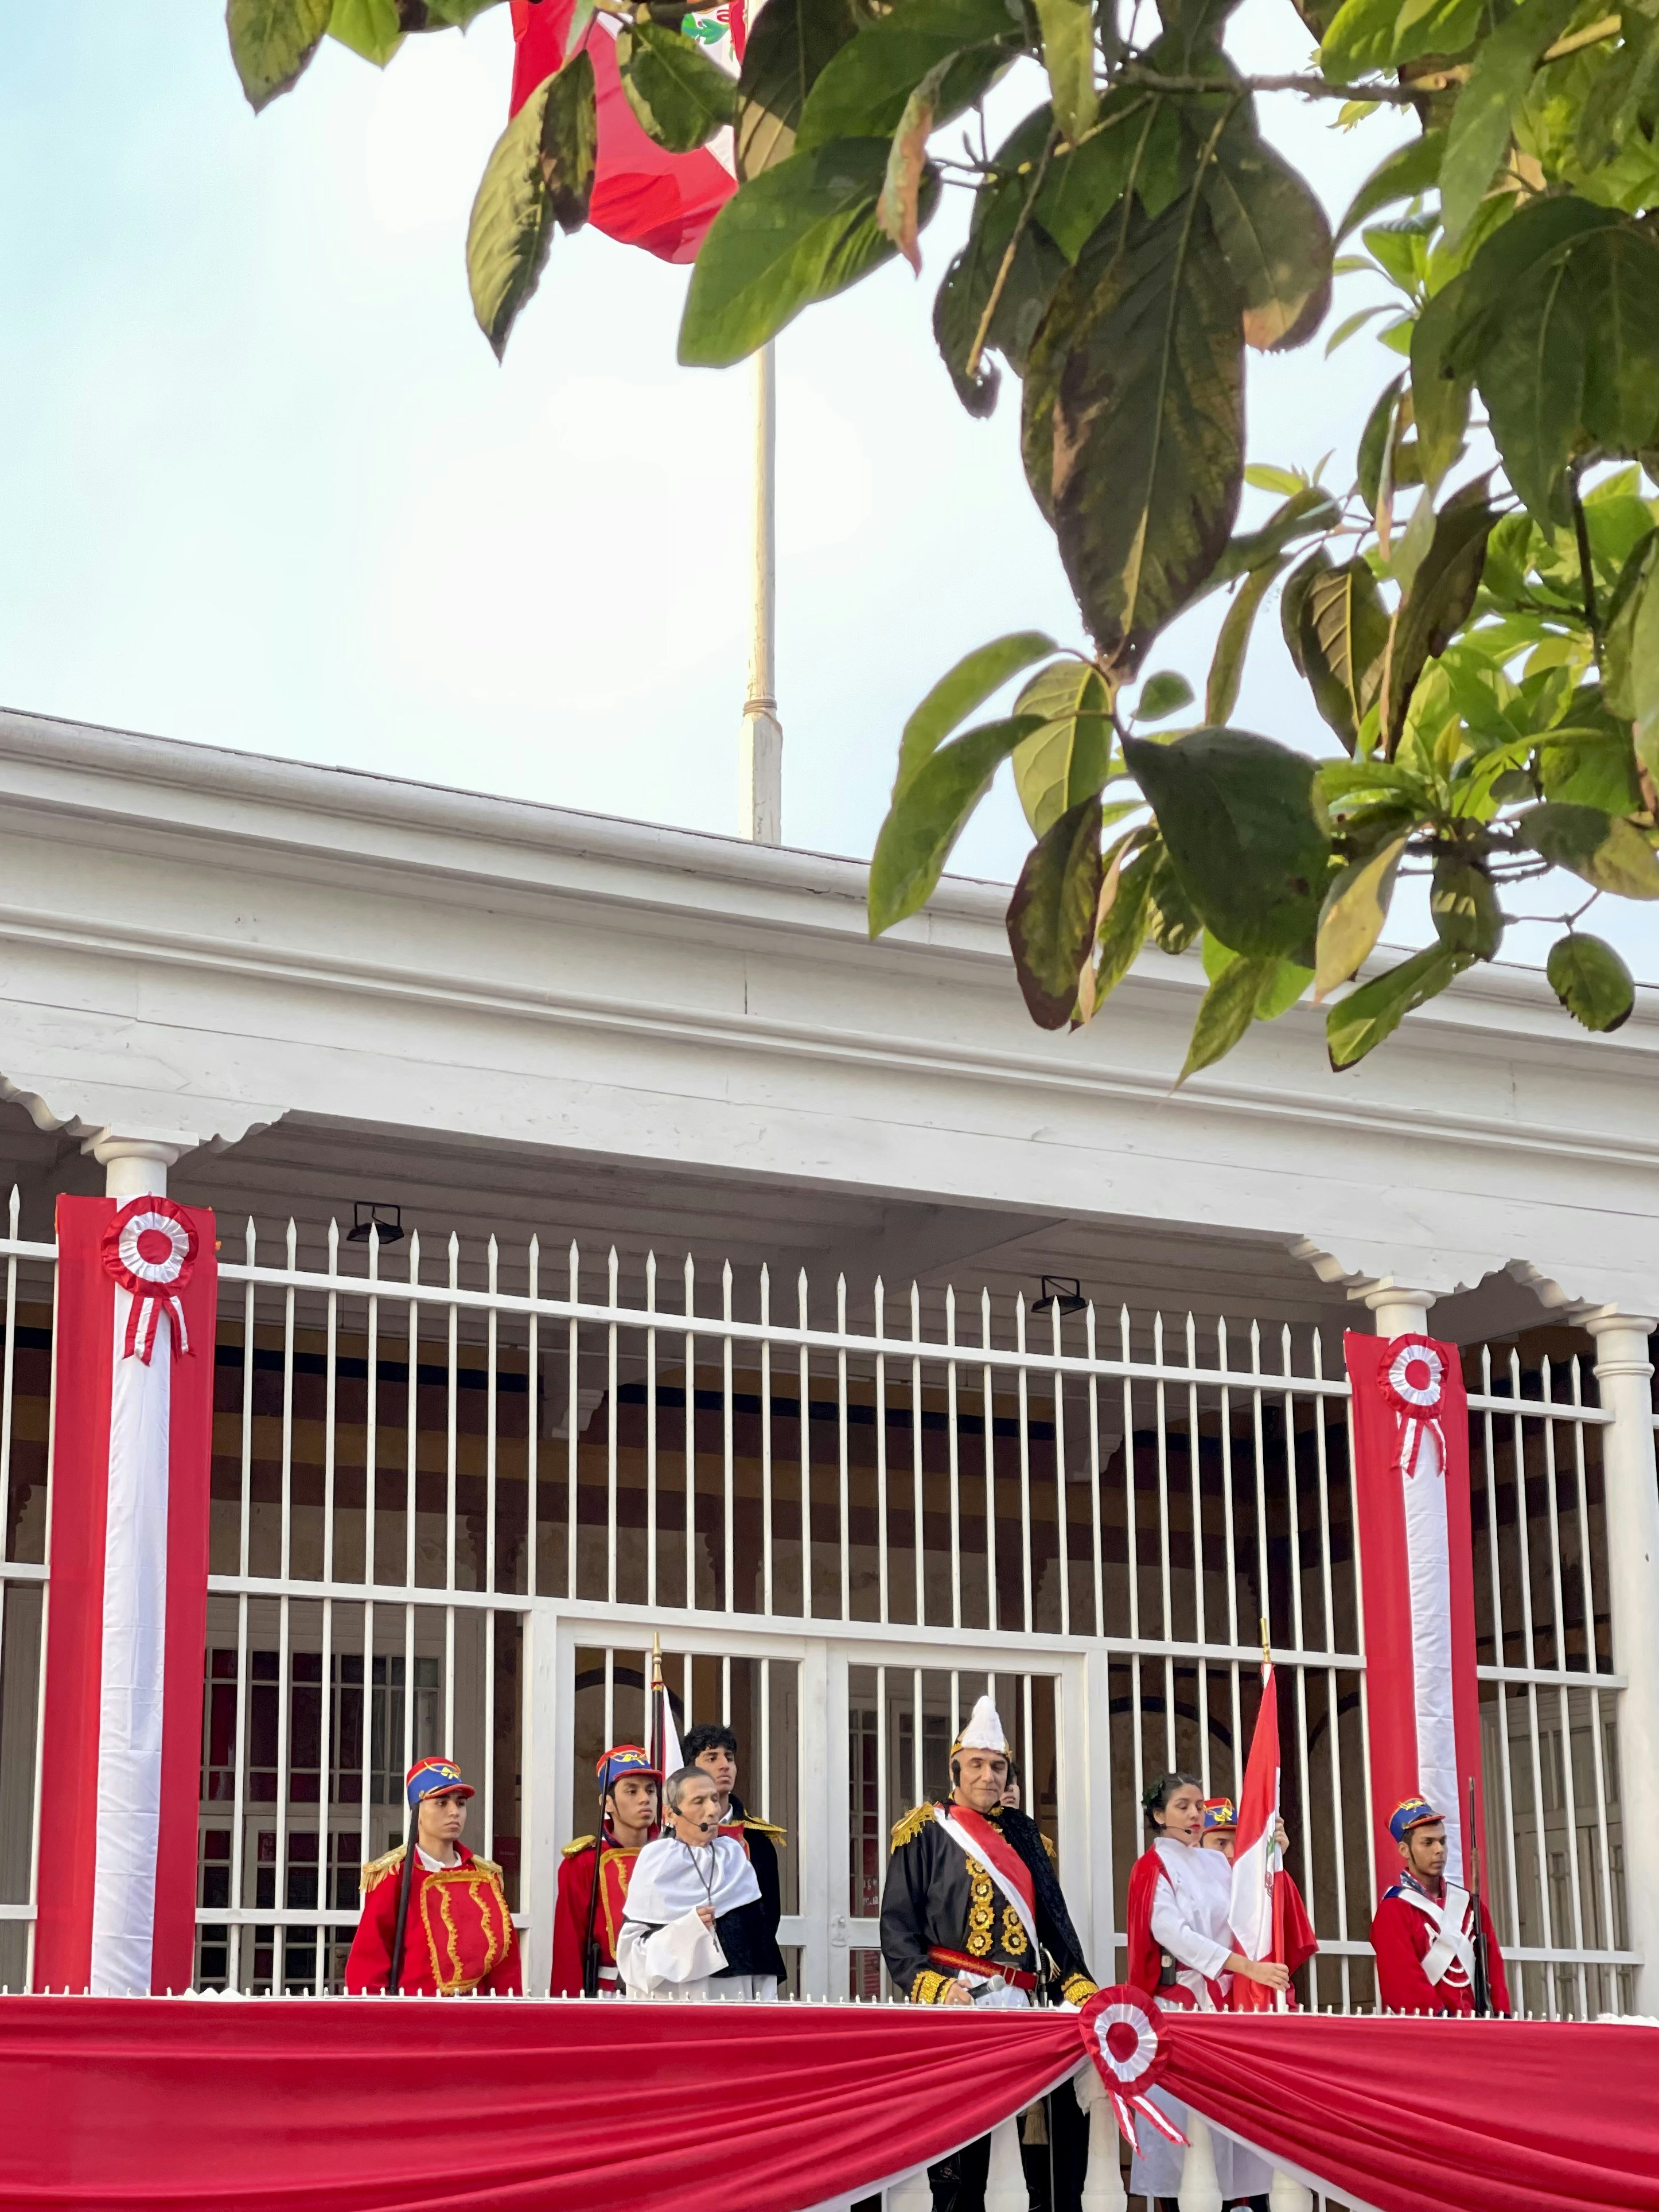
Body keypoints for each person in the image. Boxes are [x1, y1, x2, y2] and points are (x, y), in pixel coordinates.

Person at [879, 1696, 1097, 2212]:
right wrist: (934, 1987)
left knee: (1029, 2153)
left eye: (998, 1766)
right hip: (959, 2003)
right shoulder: (925, 1831)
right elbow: (897, 1930)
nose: (989, 1775)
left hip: (1023, 2008)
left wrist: (1082, 1991)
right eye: (976, 1764)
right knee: (963, 2147)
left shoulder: (1026, 1837)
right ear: (955, 1770)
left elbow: (1056, 1934)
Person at [1124, 1773, 1291, 2212]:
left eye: (1198, 1805)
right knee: (1186, 2136)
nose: (1195, 1814)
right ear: (1159, 1816)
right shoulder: (1152, 1868)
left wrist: (1274, 1855)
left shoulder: (1218, 1865)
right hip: (1179, 2011)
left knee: (1231, 2132)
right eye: (1182, 1806)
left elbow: (1254, 1910)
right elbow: (1174, 1935)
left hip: (1226, 2008)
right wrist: (1246, 1967)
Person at [344, 1754, 521, 1995]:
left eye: (460, 1803)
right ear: (416, 1810)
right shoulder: (394, 1875)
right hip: (415, 2019)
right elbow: (368, 1964)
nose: (454, 1812)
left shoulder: (485, 1877)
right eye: (441, 1803)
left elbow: (505, 1967)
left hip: (477, 2019)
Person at [616, 1765, 781, 2001]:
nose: (713, 1810)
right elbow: (632, 1959)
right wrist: (687, 1932)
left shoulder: (734, 1857)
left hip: (734, 2002)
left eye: (714, 1799)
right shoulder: (656, 1862)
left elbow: (759, 1944)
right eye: (699, 1801)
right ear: (671, 1815)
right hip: (673, 2002)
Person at [1370, 1794, 1510, 2016]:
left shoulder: (1470, 1906)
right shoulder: (1393, 1910)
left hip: (1480, 2028)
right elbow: (1402, 1984)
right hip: (1432, 2034)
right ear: (1404, 1851)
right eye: (1428, 1843)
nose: (1439, 1850)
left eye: (1442, 1841)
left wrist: (1501, 2018)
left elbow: (1494, 1970)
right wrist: (1441, 2024)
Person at [682, 1719, 788, 1988]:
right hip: (689, 1967)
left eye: (729, 1757)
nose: (724, 1765)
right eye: (712, 1757)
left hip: (750, 1966)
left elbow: (770, 1913)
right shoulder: (671, 1837)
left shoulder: (758, 1839)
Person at [550, 1743, 660, 1996]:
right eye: (631, 1791)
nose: (645, 1799)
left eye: (650, 1790)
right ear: (607, 1803)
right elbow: (569, 1944)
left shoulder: (673, 1855)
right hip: (608, 1992)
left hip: (668, 1992)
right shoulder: (584, 1862)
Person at [1195, 1795, 1318, 2014]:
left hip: (1253, 1994)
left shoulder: (1258, 1885)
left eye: (1238, 1843)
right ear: (1196, 1845)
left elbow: (1288, 1933)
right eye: (1221, 1844)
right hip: (1199, 1998)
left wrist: (1274, 1862)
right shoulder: (1182, 1885)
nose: (1232, 1853)